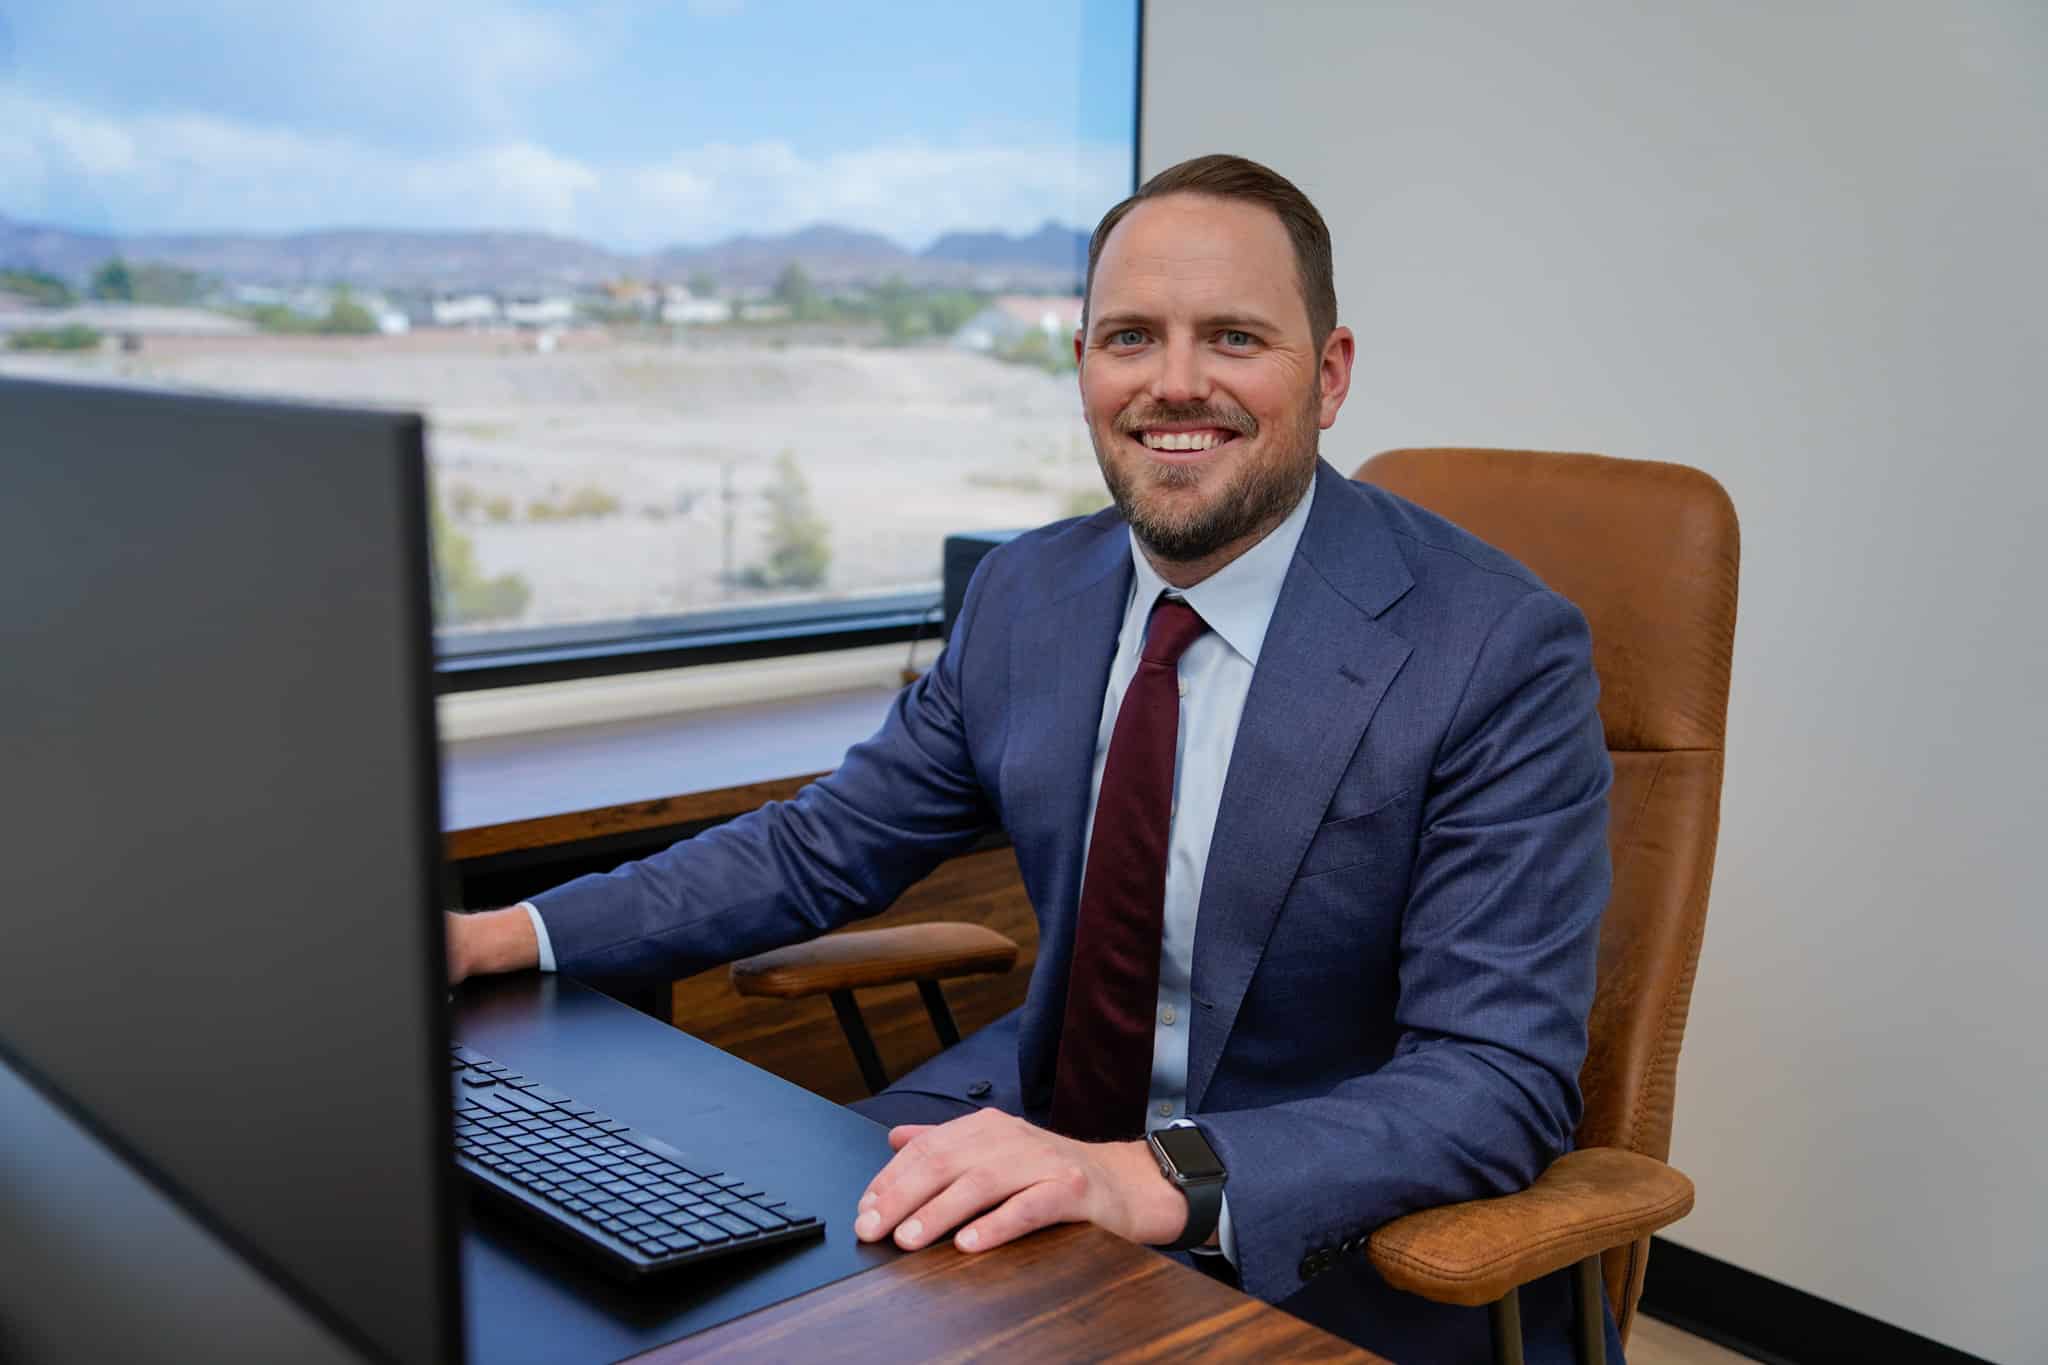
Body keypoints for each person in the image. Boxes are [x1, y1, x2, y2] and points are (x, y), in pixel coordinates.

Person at [447, 154, 1618, 1363]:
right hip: (1031, 1132)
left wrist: (1133, 1179)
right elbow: (820, 847)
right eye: (1128, 337)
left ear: (1326, 376)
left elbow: (1492, 1080)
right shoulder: (1027, 593)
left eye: (1231, 338)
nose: (1174, 384)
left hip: (1302, 1225)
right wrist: (502, 935)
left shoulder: (1493, 648)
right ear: (1081, 369)